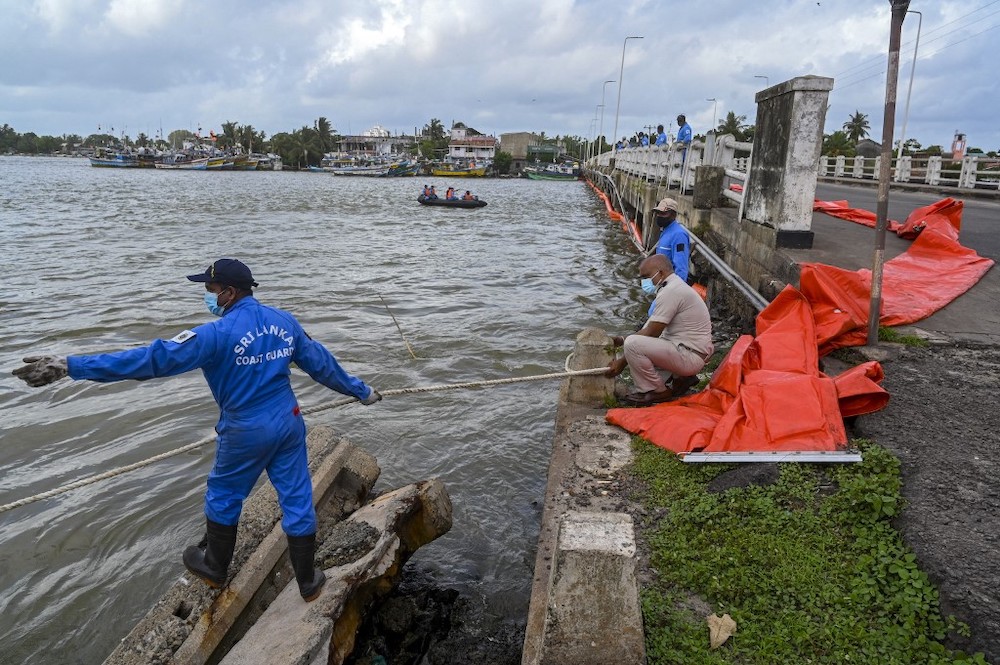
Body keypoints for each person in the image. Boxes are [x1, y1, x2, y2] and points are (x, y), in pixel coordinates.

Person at [12, 258, 381, 603]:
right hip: (288, 420)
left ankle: (215, 567)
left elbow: (150, 359)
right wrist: (362, 391)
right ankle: (308, 582)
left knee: (223, 494)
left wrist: (72, 365)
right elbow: (322, 365)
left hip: (245, 429)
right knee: (297, 497)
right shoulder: (284, 321)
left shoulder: (214, 335)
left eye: (210, 287)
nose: (207, 294)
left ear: (229, 293)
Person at [605, 254, 713, 406]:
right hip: (691, 352)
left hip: (689, 356)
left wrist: (622, 362)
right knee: (639, 342)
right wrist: (621, 339)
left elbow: (652, 332)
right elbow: (651, 327)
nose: (644, 282)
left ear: (660, 273)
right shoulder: (673, 287)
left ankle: (656, 391)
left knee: (633, 345)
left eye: (646, 276)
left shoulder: (671, 291)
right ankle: (680, 378)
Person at [650, 197, 690, 283]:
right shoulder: (665, 231)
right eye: (658, 213)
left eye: (663, 213)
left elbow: (681, 268)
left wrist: (674, 289)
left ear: (673, 215)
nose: (659, 216)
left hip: (671, 286)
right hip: (662, 283)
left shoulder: (679, 235)